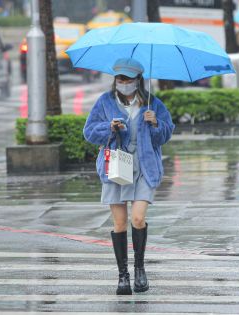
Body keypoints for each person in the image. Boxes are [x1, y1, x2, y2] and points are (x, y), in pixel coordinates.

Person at [83, 58, 175, 295]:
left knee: (137, 218)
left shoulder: (152, 103)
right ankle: (123, 276)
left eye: (128, 79)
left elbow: (166, 134)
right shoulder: (105, 102)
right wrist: (108, 128)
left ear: (138, 81)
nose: (123, 83)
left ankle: (140, 269)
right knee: (120, 223)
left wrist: (155, 124)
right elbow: (89, 132)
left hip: (144, 166)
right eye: (119, 79)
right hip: (116, 166)